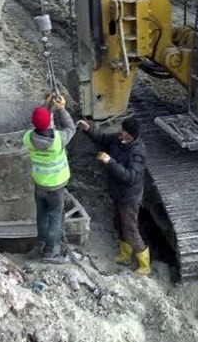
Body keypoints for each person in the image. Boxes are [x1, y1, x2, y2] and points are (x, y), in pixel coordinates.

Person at [77, 116, 150, 276]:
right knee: (118, 224)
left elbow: (130, 176)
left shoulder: (138, 153)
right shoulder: (118, 140)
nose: (120, 132)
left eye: (123, 130)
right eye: (121, 128)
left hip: (129, 198)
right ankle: (125, 256)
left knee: (130, 230)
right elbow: (102, 138)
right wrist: (88, 129)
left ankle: (145, 266)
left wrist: (110, 162)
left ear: (131, 136)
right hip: (118, 194)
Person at [22, 93, 77, 264]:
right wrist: (62, 109)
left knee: (42, 216)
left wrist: (46, 106)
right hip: (56, 187)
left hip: (40, 184)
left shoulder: (28, 138)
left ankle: (40, 245)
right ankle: (49, 253)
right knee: (54, 219)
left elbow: (40, 123)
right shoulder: (58, 140)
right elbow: (71, 127)